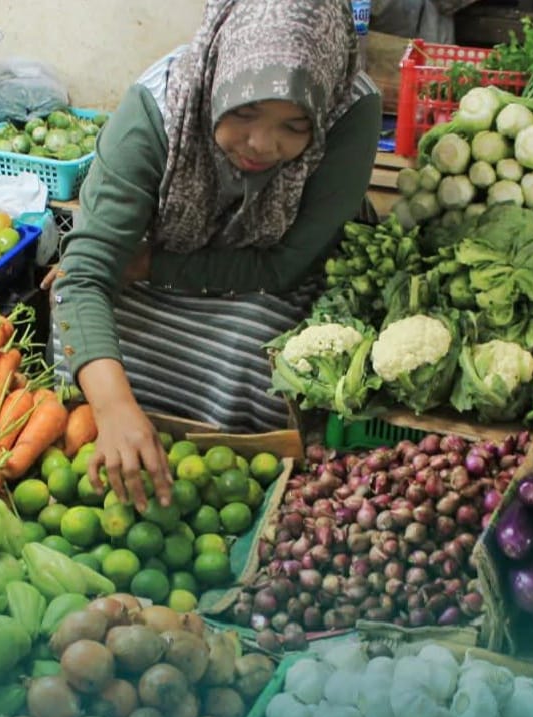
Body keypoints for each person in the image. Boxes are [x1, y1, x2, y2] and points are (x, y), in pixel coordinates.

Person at [46, 0, 383, 509]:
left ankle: (239, 453)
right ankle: (128, 432)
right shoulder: (156, 111)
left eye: (295, 126)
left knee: (257, 349)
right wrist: (114, 408)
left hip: (274, 268)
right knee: (83, 328)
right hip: (168, 246)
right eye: (243, 112)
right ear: (214, 82)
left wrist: (148, 265)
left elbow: (285, 265)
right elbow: (82, 276)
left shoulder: (349, 110)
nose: (261, 144)